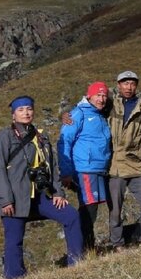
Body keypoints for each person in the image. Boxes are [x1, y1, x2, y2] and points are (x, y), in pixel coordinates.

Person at [0, 96, 83, 279]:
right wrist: (5, 200)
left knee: (71, 216)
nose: (26, 112)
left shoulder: (41, 136)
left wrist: (57, 192)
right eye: (21, 109)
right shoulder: (5, 136)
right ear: (13, 115)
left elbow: (52, 167)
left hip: (39, 197)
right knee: (14, 239)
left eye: (29, 109)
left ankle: (77, 264)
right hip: (14, 199)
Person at [58, 81, 113, 251]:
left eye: (104, 95)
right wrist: (66, 171)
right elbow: (64, 141)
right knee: (88, 210)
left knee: (92, 209)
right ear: (89, 95)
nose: (101, 99)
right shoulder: (79, 113)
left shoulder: (101, 114)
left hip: (99, 169)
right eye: (98, 95)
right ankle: (84, 249)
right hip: (85, 169)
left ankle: (87, 247)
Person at [107, 70, 141, 248]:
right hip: (115, 166)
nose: (129, 87)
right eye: (125, 83)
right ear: (118, 85)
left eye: (132, 83)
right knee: (115, 209)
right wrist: (65, 116)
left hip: (137, 165)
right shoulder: (110, 105)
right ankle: (117, 243)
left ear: (137, 86)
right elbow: (88, 104)